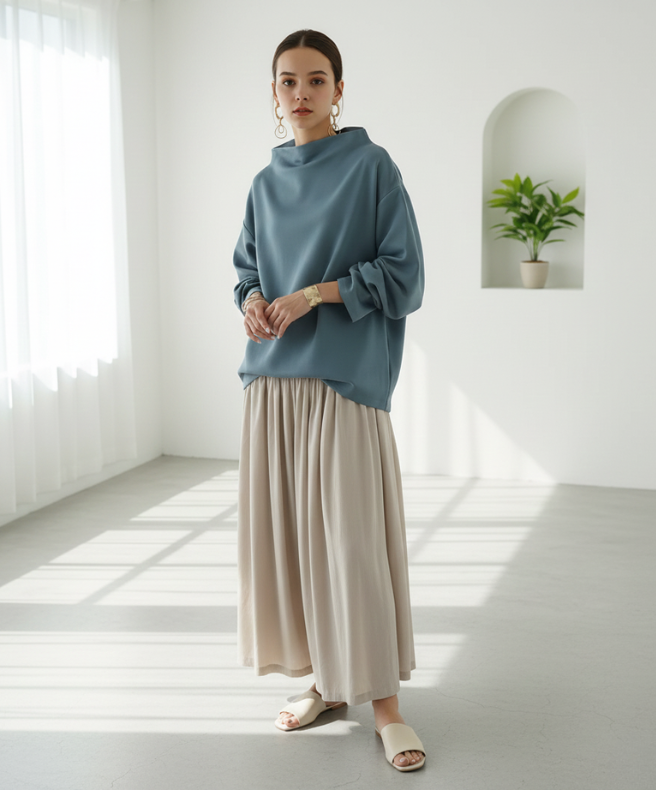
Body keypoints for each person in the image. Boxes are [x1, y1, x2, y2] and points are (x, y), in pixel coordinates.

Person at [232, 29, 426, 773]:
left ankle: (385, 706)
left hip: (343, 380)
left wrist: (315, 293)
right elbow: (246, 266)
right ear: (275, 94)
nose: (302, 93)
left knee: (350, 547)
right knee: (297, 547)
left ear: (340, 89)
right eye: (289, 82)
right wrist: (252, 301)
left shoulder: (372, 168)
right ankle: (326, 683)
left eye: (317, 80)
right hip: (273, 383)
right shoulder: (264, 181)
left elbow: (404, 276)